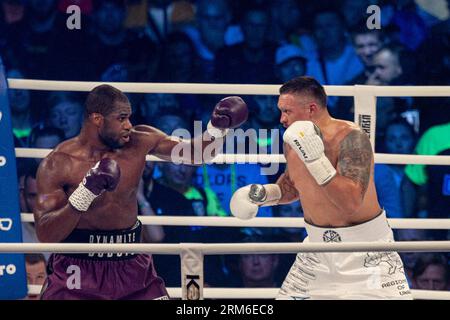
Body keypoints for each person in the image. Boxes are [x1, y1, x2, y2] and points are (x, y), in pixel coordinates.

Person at [34, 84, 248, 300]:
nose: (129, 125)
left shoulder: (139, 140)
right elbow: (46, 234)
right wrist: (85, 194)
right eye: (121, 118)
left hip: (132, 262)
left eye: (129, 117)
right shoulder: (58, 164)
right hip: (78, 267)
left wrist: (218, 128)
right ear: (97, 119)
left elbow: (197, 154)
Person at [230, 76, 412, 299]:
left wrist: (317, 160)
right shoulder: (292, 140)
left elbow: (350, 203)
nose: (281, 119)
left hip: (367, 253)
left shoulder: (351, 138)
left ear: (311, 109)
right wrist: (261, 195)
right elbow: (294, 184)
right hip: (316, 251)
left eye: (287, 111)